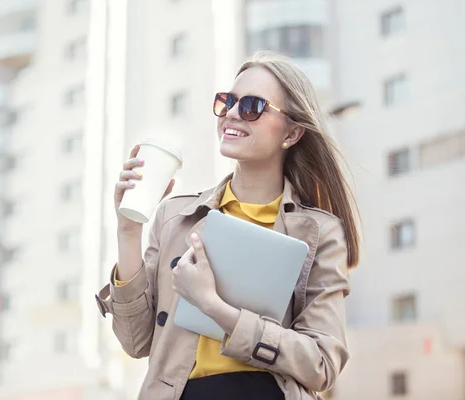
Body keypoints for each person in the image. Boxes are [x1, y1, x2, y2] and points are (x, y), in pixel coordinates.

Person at [94, 50, 360, 400]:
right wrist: (128, 231)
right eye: (227, 102)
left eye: (252, 106)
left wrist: (214, 307)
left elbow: (321, 364)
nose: (233, 114)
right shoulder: (175, 217)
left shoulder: (318, 233)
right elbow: (136, 341)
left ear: (292, 133)